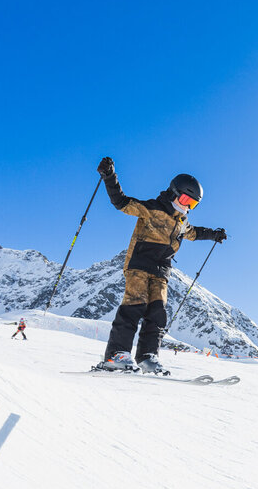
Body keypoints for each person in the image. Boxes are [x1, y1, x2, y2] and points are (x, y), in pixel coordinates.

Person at [93, 157, 226, 374]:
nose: (186, 206)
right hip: (139, 265)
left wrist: (215, 235)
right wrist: (110, 176)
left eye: (192, 204)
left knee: (157, 314)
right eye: (185, 199)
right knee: (133, 306)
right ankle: (116, 354)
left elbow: (196, 233)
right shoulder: (152, 208)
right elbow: (121, 202)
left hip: (162, 272)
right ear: (174, 192)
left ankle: (147, 356)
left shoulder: (182, 223)